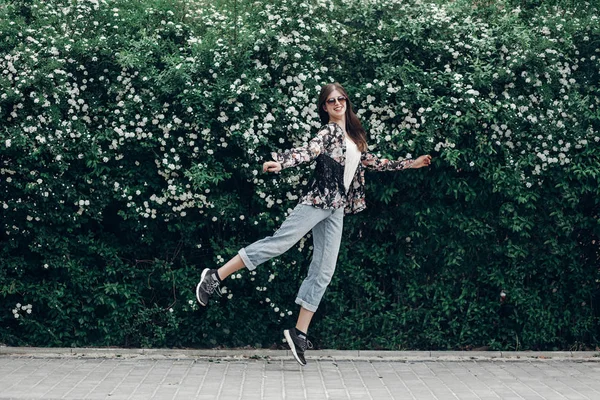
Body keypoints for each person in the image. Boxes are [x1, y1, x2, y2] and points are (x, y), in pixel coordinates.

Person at [196, 82, 432, 366]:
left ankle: (298, 333)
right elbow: (309, 150)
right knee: (280, 243)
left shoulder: (355, 136)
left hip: (336, 209)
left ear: (347, 101)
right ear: (325, 107)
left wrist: (411, 164)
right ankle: (215, 275)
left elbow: (373, 162)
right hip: (317, 201)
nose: (337, 104)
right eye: (331, 101)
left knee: (324, 270)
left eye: (341, 99)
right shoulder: (329, 131)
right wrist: (282, 162)